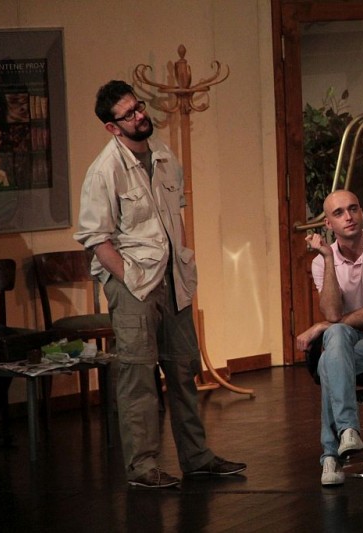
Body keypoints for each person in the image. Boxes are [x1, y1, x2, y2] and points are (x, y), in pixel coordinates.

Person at [74, 80, 246, 488]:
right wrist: (130, 279)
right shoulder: (105, 170)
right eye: (129, 114)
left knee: (183, 368)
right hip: (133, 282)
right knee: (138, 376)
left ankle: (196, 457)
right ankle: (142, 466)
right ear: (112, 127)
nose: (140, 116)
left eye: (139, 107)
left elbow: (174, 215)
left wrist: (181, 260)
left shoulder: (164, 155)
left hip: (172, 279)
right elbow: (95, 238)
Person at [295, 189, 363, 487]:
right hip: (347, 339)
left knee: (328, 361)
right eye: (339, 213)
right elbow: (334, 313)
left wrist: (321, 326)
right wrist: (328, 259)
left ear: (361, 212)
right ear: (328, 224)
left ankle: (331, 456)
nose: (349, 216)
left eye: (353, 209)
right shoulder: (321, 262)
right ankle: (347, 433)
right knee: (337, 334)